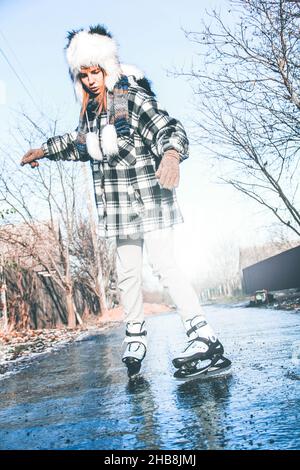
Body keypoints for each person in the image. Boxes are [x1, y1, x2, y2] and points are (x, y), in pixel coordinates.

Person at [20, 25, 231, 380]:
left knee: (164, 264)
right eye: (83, 74)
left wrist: (172, 156)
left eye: (95, 72)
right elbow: (78, 144)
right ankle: (135, 336)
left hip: (149, 196)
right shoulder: (91, 115)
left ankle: (203, 336)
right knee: (127, 273)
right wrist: (44, 149)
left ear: (107, 68)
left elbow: (168, 127)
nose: (90, 80)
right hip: (118, 207)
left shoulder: (130, 98)